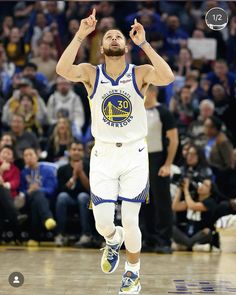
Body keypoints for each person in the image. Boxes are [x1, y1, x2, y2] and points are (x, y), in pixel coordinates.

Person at [56, 9, 174, 294]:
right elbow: (62, 69)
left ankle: (132, 273)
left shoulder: (140, 72)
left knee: (132, 219)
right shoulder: (90, 73)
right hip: (103, 155)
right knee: (103, 223)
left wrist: (144, 44)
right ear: (102, 46)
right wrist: (80, 35)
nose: (113, 37)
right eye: (108, 35)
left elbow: (168, 76)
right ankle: (112, 239)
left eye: (118, 35)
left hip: (134, 154)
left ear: (125, 45)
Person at [142, 85, 178, 254]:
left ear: (153, 92)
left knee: (162, 202)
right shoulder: (137, 111)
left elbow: (174, 140)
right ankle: (149, 239)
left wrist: (168, 164)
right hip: (140, 159)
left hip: (158, 160)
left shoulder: (163, 112)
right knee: (144, 202)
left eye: (145, 90)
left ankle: (165, 241)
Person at [55, 140, 92, 247]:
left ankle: (86, 234)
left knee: (83, 197)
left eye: (79, 150)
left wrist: (80, 173)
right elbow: (62, 189)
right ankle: (61, 234)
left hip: (85, 198)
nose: (76, 152)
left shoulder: (89, 167)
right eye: (74, 149)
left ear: (83, 152)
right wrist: (74, 176)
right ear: (69, 152)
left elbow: (90, 189)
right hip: (68, 197)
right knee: (62, 197)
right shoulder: (62, 169)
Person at [20, 147, 57, 246]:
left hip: (46, 199)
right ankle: (48, 218)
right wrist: (29, 191)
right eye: (26, 155)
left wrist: (38, 190)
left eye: (30, 154)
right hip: (28, 199)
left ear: (36, 156)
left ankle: (34, 238)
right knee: (36, 196)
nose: (28, 157)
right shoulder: (23, 173)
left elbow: (51, 189)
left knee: (37, 201)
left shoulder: (47, 170)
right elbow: (21, 190)